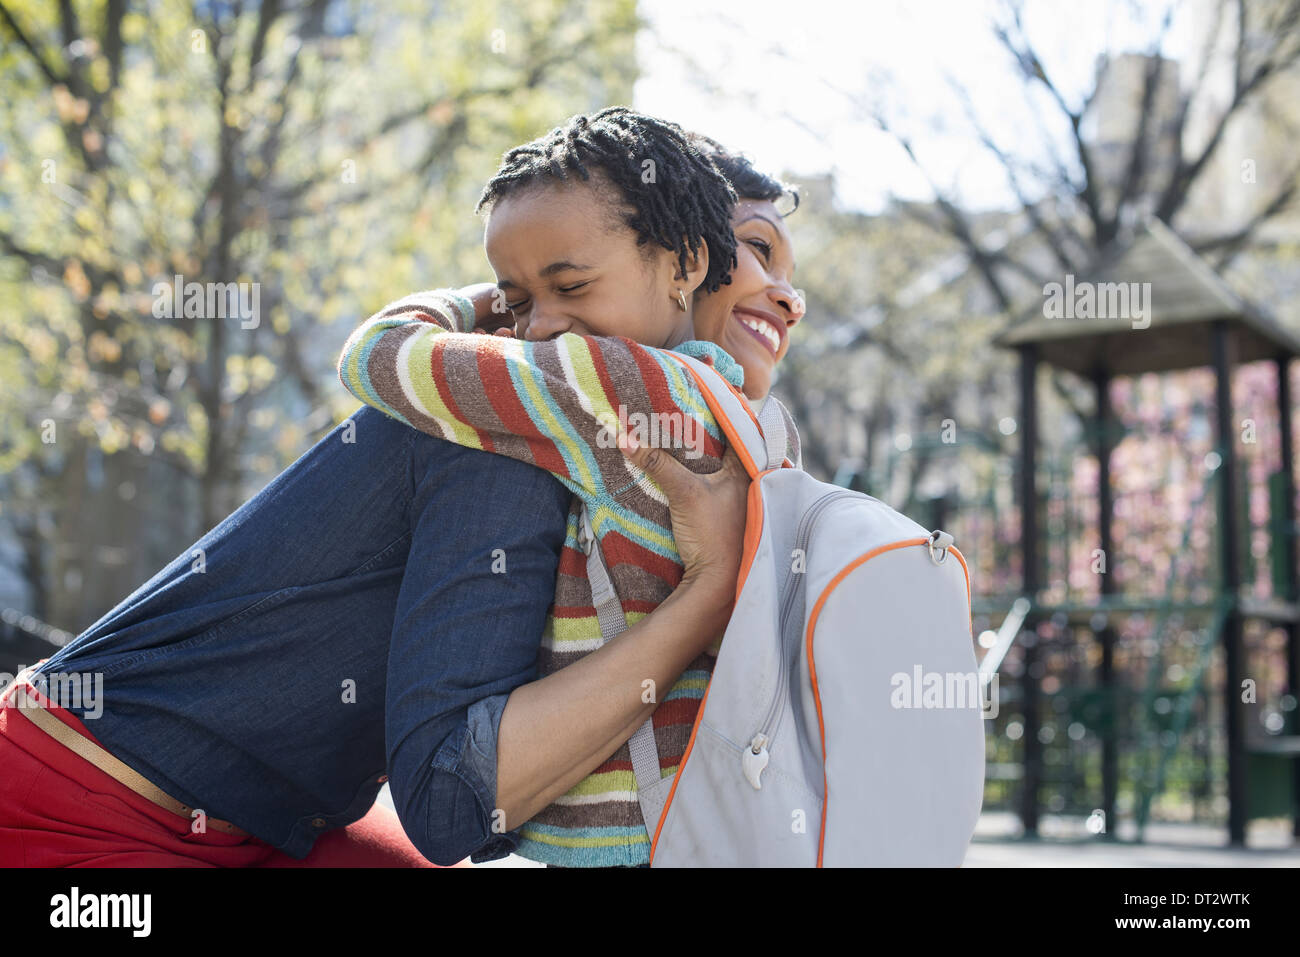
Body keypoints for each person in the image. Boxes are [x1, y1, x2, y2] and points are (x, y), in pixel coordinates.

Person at [0, 110, 797, 868]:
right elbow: (453, 801)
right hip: (80, 804)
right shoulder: (514, 414)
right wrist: (711, 590)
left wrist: (495, 296)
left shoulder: (709, 436)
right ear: (695, 259)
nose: (777, 292)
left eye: (570, 284)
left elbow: (387, 341)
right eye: (751, 247)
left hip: (247, 810)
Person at [338, 108, 805, 866]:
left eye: (570, 282)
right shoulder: (760, 428)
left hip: (619, 826)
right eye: (523, 301)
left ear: (686, 262)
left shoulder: (607, 382)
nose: (540, 325)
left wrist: (491, 298)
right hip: (713, 806)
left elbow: (379, 355)